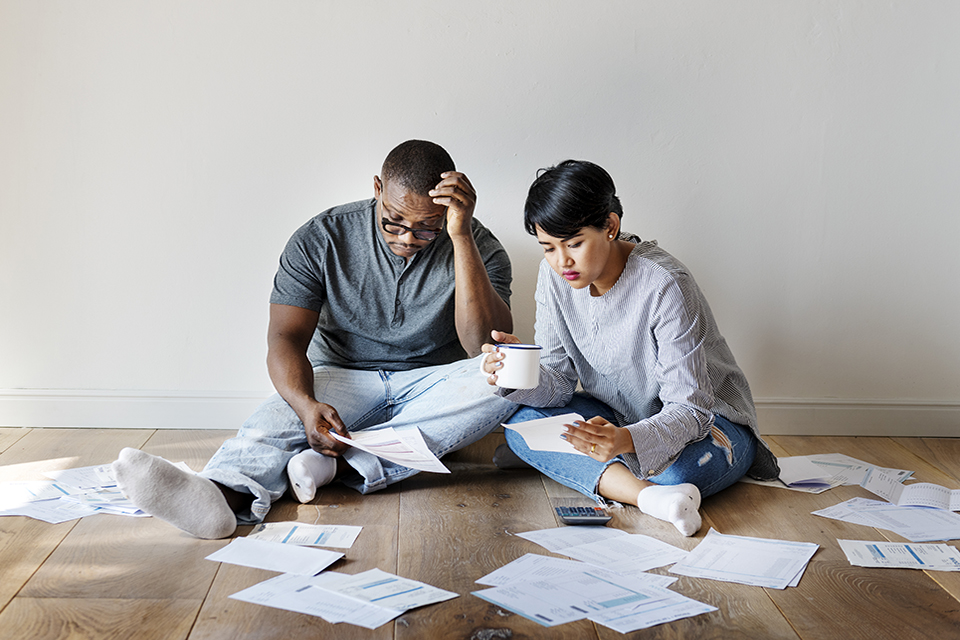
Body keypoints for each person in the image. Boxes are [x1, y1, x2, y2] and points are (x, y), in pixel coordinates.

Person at [114, 140, 518, 539]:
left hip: (432, 384)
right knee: (275, 420)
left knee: (508, 380)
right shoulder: (322, 237)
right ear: (377, 189)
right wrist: (306, 405)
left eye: (427, 227)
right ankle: (217, 494)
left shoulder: (479, 246)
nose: (408, 238)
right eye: (393, 220)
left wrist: (459, 237)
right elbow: (284, 338)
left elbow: (481, 345)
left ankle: (339, 467)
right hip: (341, 377)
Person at [481, 159, 779, 537]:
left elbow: (690, 409)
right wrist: (509, 372)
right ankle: (652, 498)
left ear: (610, 226)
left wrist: (625, 440)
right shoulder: (554, 277)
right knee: (521, 424)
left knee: (678, 471)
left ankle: (593, 471)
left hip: (709, 424)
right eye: (548, 248)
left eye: (573, 244)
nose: (562, 262)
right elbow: (557, 384)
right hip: (620, 416)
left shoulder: (665, 284)